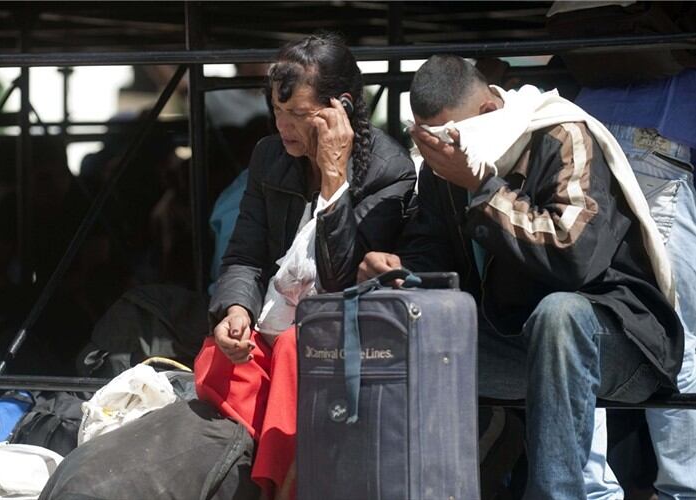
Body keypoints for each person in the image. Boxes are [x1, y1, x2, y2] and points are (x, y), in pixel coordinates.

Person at [358, 55, 683, 500]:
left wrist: (481, 189)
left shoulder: (563, 134)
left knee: (560, 314)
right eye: (428, 138)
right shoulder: (445, 165)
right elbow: (430, 249)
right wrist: (402, 274)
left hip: (616, 339)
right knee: (402, 325)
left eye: (446, 135)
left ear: (488, 113)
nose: (439, 150)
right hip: (515, 342)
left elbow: (574, 256)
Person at [194, 33, 417, 498]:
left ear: (341, 108)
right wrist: (236, 308)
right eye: (277, 112)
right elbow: (244, 256)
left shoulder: (389, 170)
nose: (283, 127)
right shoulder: (269, 157)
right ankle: (267, 458)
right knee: (219, 355)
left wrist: (334, 183)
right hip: (279, 318)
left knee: (300, 347)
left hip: (347, 331)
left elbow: (339, 284)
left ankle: (283, 485)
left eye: (297, 115)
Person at [577, 69, 696, 500]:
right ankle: (683, 492)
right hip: (656, 140)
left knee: (581, 325)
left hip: (589, 128)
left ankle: (590, 491)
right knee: (677, 336)